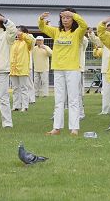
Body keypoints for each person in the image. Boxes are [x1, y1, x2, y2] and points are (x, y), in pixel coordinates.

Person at [39, 8, 87, 136]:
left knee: (73, 99)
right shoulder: (56, 32)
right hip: (58, 68)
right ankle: (56, 128)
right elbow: (42, 28)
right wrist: (41, 19)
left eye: (68, 17)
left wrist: (74, 15)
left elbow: (84, 25)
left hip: (72, 69)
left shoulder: (77, 33)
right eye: (63, 17)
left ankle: (74, 128)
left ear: (73, 19)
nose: (65, 20)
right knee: (59, 100)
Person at [87, 23, 110, 115]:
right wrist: (91, 33)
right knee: (106, 91)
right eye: (108, 30)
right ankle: (105, 110)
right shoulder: (105, 40)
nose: (109, 32)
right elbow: (96, 40)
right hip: (106, 69)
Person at [10, 25, 35, 112]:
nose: (17, 33)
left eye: (19, 31)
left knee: (24, 88)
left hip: (23, 68)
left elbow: (31, 40)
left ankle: (25, 106)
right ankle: (16, 105)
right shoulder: (14, 42)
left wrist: (23, 35)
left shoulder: (27, 42)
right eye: (17, 31)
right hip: (13, 68)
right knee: (15, 88)